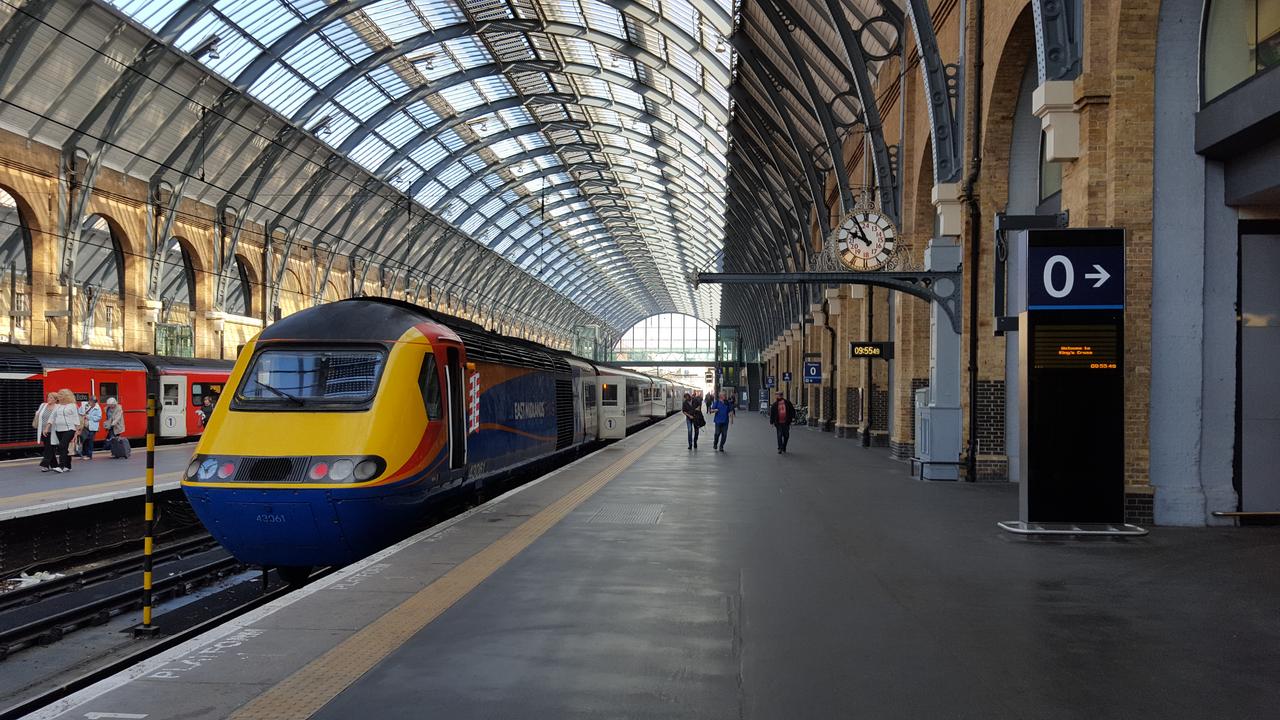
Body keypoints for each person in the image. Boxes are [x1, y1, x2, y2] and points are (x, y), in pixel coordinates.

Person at [43, 388, 79, 473]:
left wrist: (76, 433)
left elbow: (76, 418)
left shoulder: (72, 406)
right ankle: (68, 466)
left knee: (62, 445)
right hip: (58, 430)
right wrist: (47, 428)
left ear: (66, 396)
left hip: (70, 429)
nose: (59, 397)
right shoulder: (58, 406)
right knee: (65, 448)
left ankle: (61, 466)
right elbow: (52, 417)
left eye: (61, 396)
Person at [33, 392, 57, 472]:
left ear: (55, 399)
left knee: (49, 448)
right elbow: (38, 414)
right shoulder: (43, 405)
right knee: (48, 447)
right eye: (48, 397)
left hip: (53, 431)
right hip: (43, 430)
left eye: (51, 398)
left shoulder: (57, 407)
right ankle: (55, 465)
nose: (48, 399)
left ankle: (45, 464)